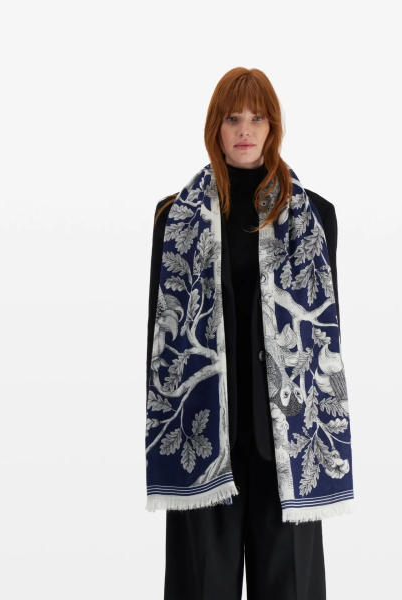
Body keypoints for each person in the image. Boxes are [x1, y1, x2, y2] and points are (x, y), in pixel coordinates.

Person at [146, 67, 343, 600]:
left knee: (291, 588)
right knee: (200, 587)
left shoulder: (316, 216)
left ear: (273, 126)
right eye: (233, 118)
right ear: (216, 125)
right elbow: (160, 339)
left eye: (257, 118)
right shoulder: (174, 217)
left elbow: (325, 335)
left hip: (288, 441)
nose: (245, 130)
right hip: (205, 433)